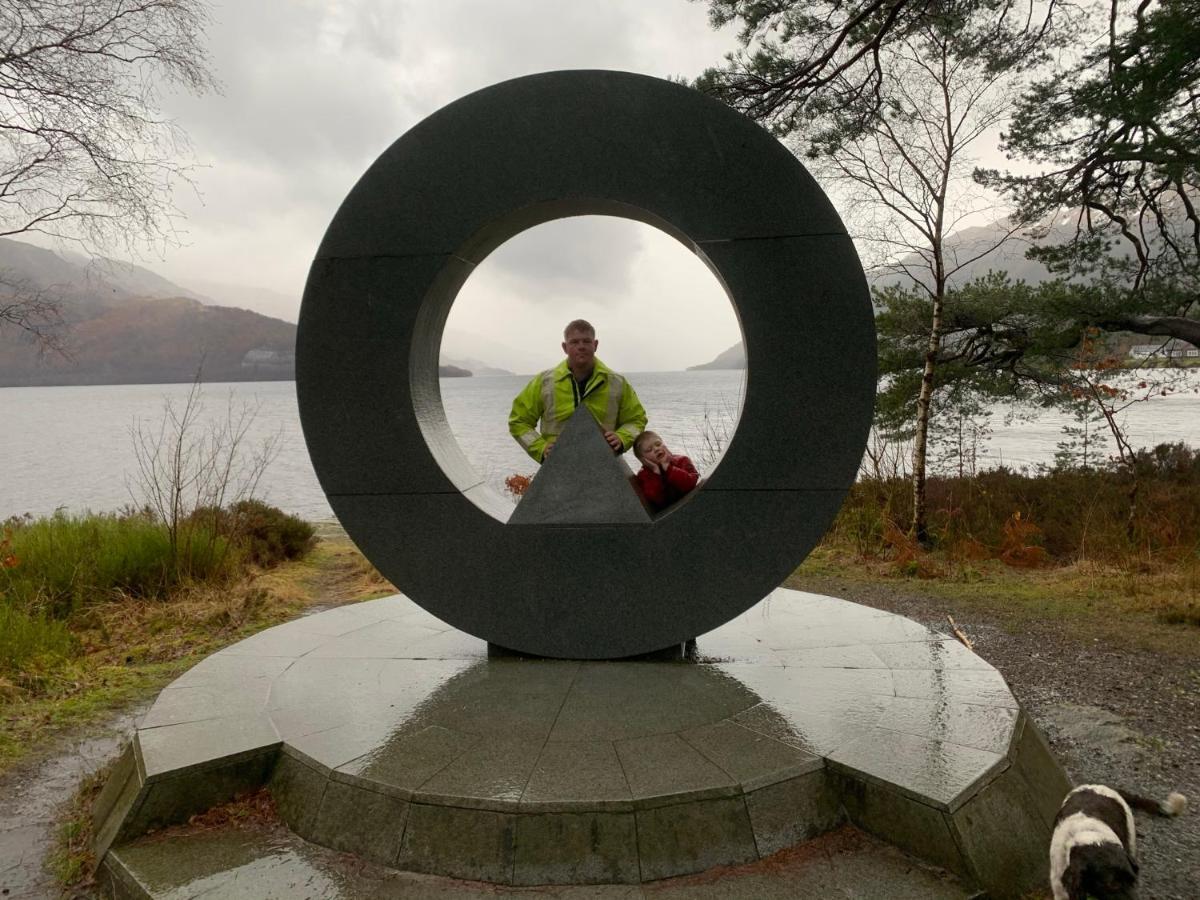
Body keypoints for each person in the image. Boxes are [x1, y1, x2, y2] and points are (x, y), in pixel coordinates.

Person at [509, 319, 647, 463]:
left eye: (586, 341)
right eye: (574, 342)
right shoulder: (544, 383)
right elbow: (519, 421)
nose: (581, 346)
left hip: (605, 468)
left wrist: (622, 437)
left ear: (595, 345)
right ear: (564, 347)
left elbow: (636, 419)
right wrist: (541, 448)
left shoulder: (617, 383)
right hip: (558, 468)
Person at [632, 431, 699, 511]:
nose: (656, 449)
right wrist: (656, 473)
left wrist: (669, 468)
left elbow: (690, 484)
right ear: (643, 460)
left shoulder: (682, 460)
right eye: (649, 450)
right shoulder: (643, 475)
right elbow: (657, 500)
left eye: (658, 444)